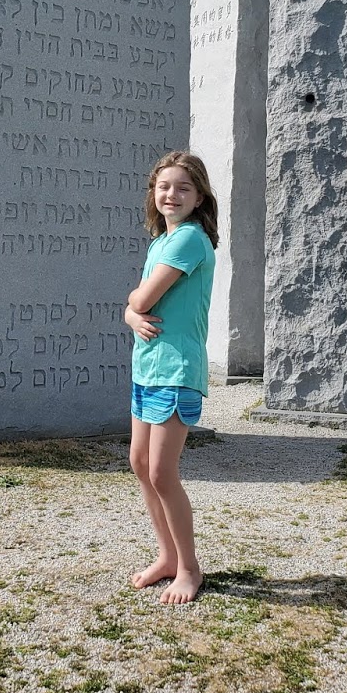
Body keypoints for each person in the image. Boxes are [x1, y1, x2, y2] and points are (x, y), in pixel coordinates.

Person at [124, 150, 218, 605]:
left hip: (176, 371)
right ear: (152, 193)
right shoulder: (161, 242)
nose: (171, 194)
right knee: (141, 465)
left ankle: (189, 568)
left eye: (183, 187)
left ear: (199, 197)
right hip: (148, 367)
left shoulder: (189, 241)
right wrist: (130, 310)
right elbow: (136, 307)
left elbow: (143, 299)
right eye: (164, 186)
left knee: (162, 471)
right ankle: (166, 558)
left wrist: (131, 306)